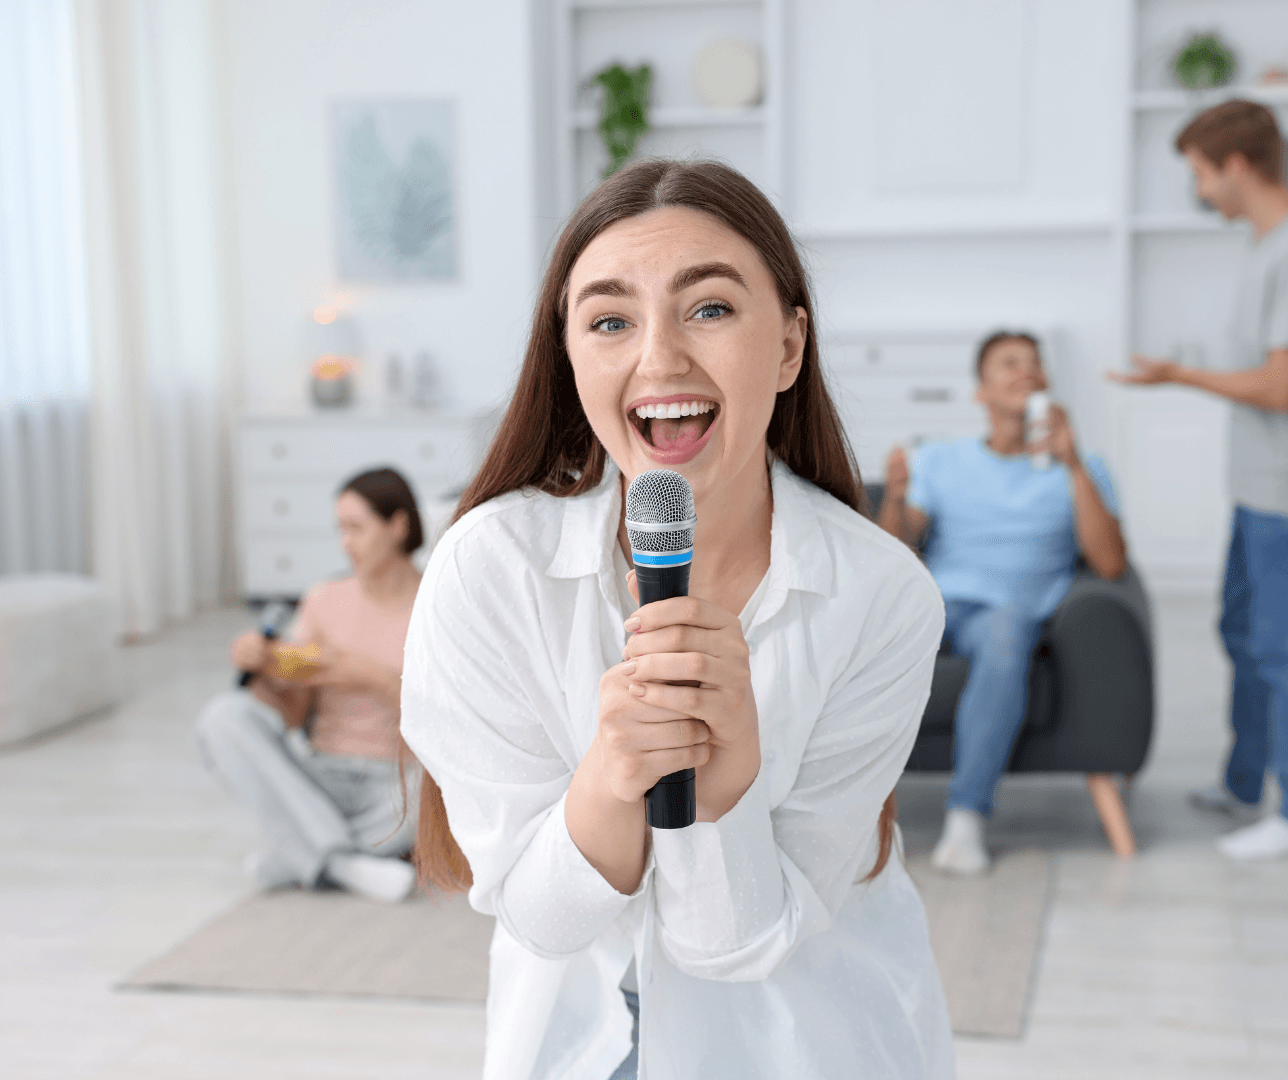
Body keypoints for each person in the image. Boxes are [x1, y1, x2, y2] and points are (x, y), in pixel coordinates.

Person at [400, 160, 954, 1080]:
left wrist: (723, 790)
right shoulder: (489, 569)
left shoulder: (881, 594)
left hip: (812, 1041)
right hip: (579, 1041)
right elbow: (544, 919)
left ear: (787, 348)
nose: (659, 359)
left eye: (709, 308)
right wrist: (615, 774)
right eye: (611, 321)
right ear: (571, 359)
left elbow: (732, 947)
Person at [1110, 99, 1288, 861]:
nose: (1199, 189)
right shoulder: (1260, 245)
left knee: (1276, 649)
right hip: (1255, 489)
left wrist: (1180, 376)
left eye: (1200, 174)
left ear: (1237, 166)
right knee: (1242, 636)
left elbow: (1279, 388)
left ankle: (1281, 809)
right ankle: (1246, 784)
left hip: (1281, 496)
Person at [878, 332, 1127, 875]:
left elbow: (1110, 565)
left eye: (1035, 365)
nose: (1027, 372)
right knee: (856, 639)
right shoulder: (942, 460)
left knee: (1007, 632)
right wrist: (895, 498)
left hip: (1008, 615)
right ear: (980, 393)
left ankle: (966, 820)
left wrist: (1074, 463)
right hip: (937, 605)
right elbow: (896, 555)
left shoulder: (1083, 466)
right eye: (1009, 363)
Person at [195, 468, 424, 903]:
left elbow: (456, 718)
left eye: (356, 528)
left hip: (401, 782)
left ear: (398, 525)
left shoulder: (439, 601)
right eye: (340, 530)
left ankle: (298, 853)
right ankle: (344, 863)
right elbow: (296, 713)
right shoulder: (324, 599)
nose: (345, 542)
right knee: (223, 717)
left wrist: (368, 674)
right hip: (324, 776)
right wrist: (266, 674)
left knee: (445, 789)